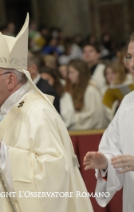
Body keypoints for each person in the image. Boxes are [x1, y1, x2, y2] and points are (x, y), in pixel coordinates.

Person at [0, 11, 93, 212]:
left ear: (10, 80)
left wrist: (4, 153)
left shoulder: (37, 112)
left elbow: (56, 173)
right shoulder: (7, 112)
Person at [83, 32, 134, 212]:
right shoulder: (128, 103)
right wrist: (105, 164)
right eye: (129, 57)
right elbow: (114, 150)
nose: (132, 64)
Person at [65, 59, 106, 130]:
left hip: (93, 133)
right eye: (69, 73)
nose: (69, 76)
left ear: (81, 73)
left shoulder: (91, 90)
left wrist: (72, 117)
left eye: (72, 72)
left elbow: (94, 116)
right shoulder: (77, 88)